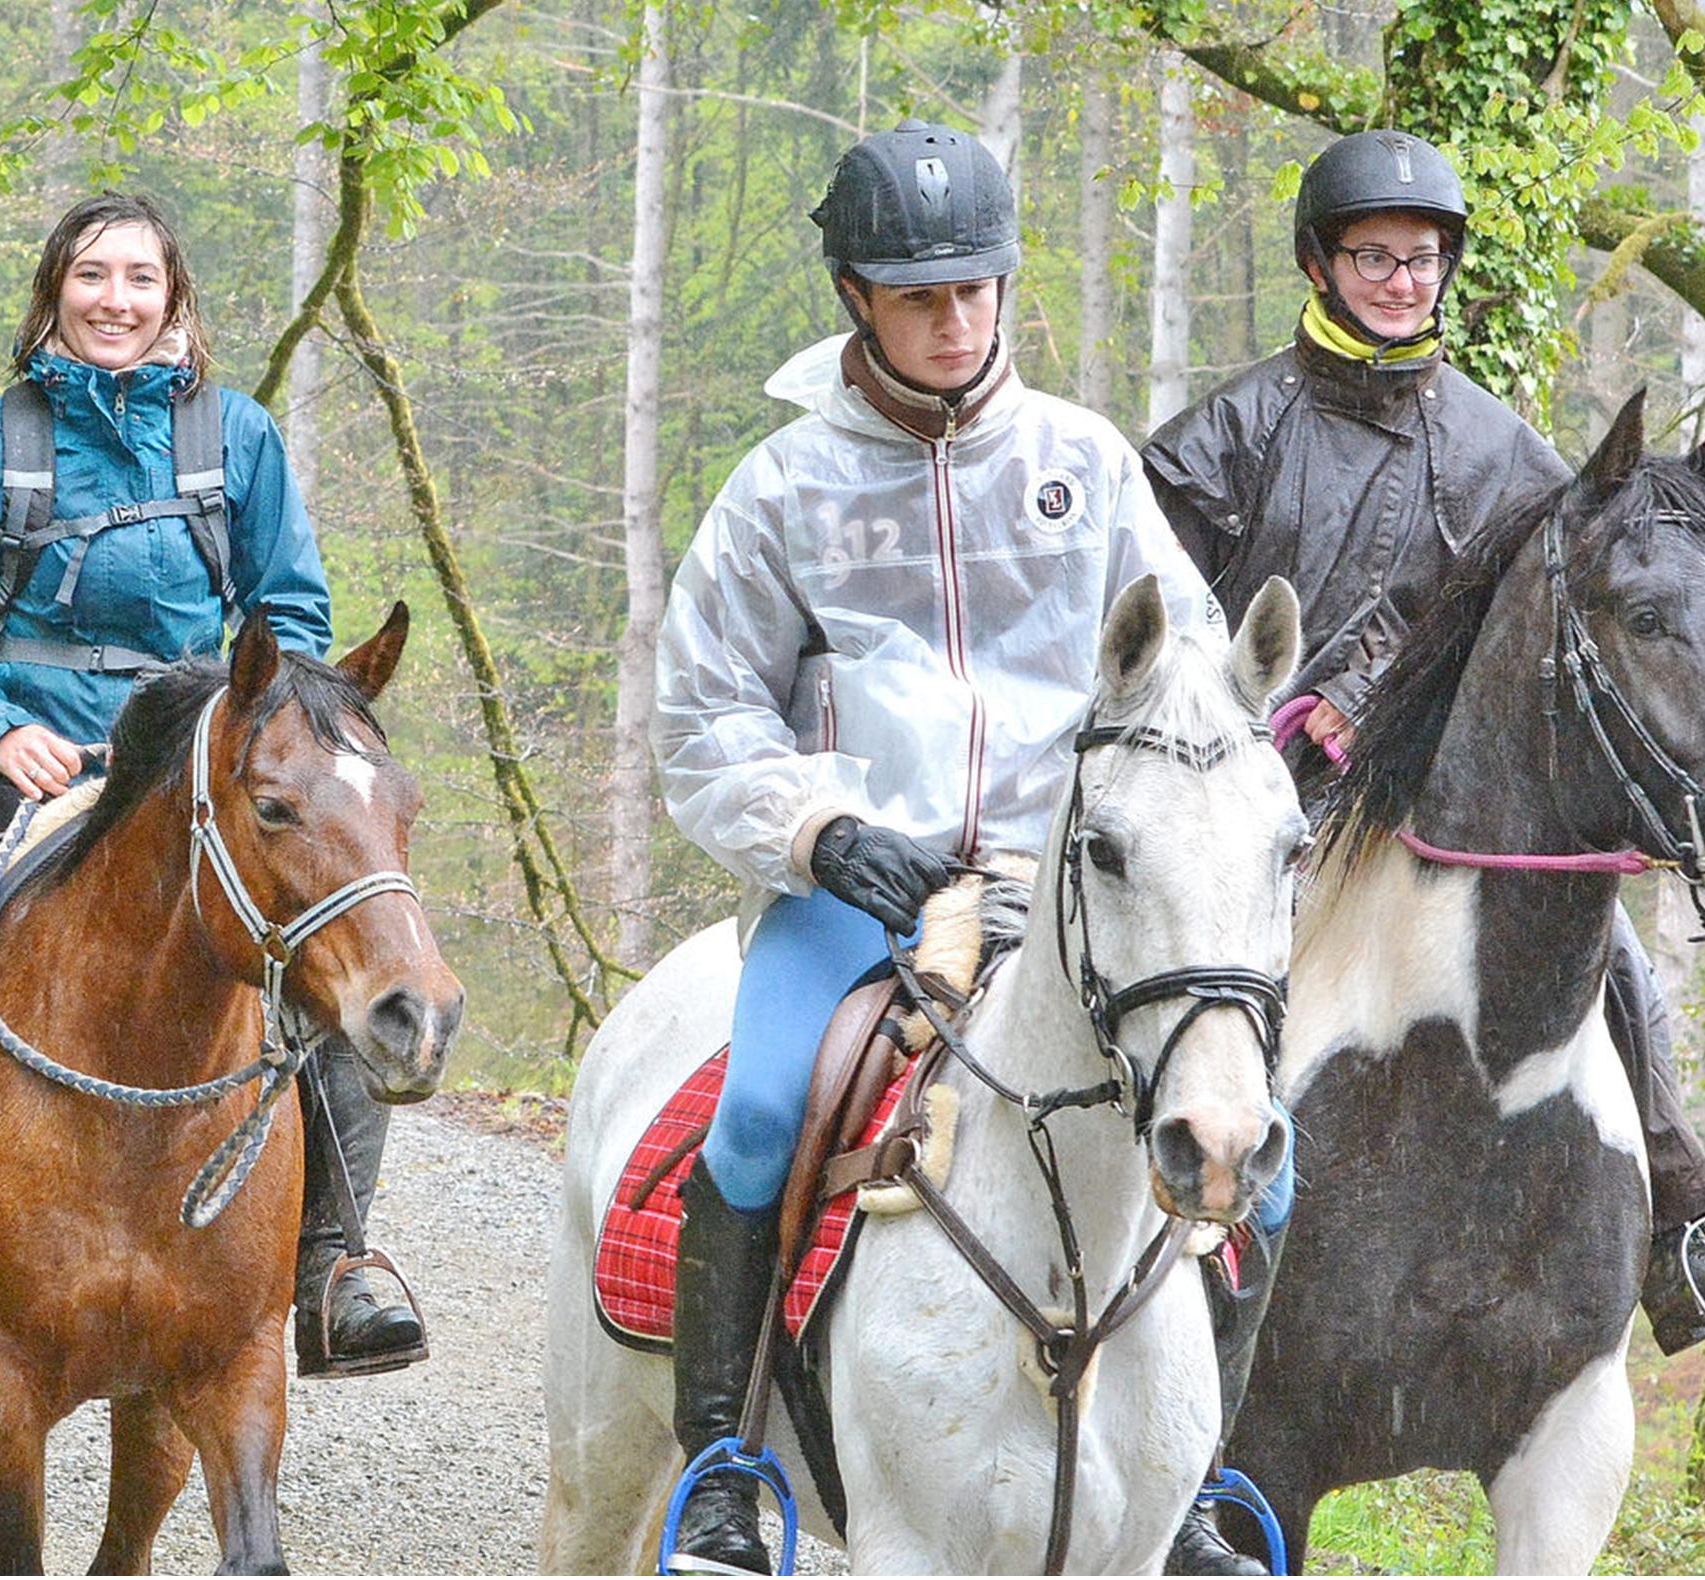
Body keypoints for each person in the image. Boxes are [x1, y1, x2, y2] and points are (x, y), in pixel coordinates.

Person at [650, 122, 1269, 1575]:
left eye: (976, 289)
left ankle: (1192, 1491)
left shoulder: (1086, 464)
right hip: (867, 893)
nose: (954, 320)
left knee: (1260, 1156)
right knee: (752, 1116)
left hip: (1076, 892)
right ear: (855, 296)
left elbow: (1182, 667)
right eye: (919, 295)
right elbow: (699, 714)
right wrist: (817, 827)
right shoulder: (784, 485)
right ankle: (728, 1470)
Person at [1134, 129, 1705, 1368]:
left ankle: (1684, 1218)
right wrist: (1269, 713)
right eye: (1373, 256)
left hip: (1439, 790)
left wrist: (1380, 688)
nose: (1401, 280)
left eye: (1423, 257)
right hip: (1259, 788)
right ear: (1319, 267)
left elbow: (1540, 622)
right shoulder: (1219, 437)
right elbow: (1153, 626)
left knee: (1597, 929)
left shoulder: (1509, 453)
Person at [0, 192, 425, 1377]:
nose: (115, 300)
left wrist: (212, 732)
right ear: (54, 290)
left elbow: (296, 621)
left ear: (175, 300)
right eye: (92, 277)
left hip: (194, 787)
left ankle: (336, 1260)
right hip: (17, 774)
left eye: (139, 280)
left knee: (333, 960)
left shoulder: (240, 438)